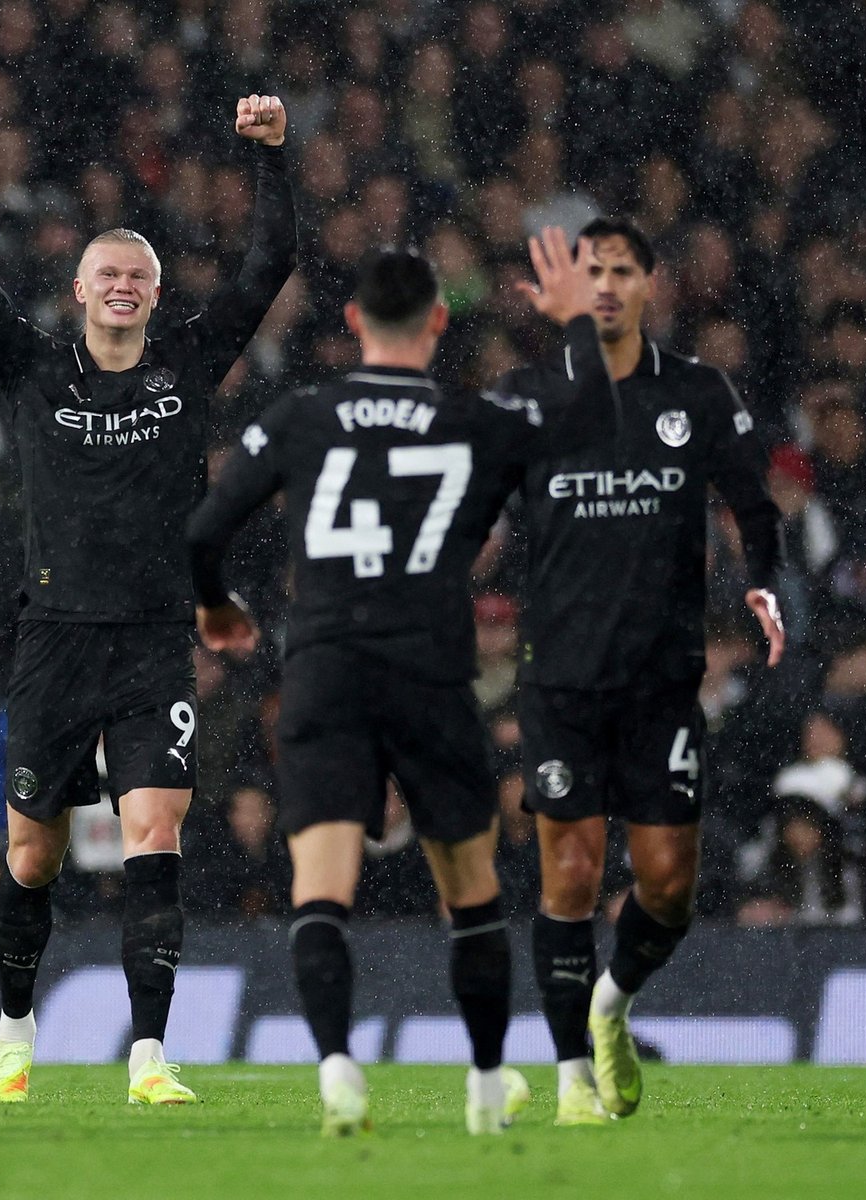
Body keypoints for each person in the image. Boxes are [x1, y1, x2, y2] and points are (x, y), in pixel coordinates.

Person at [186, 231, 615, 1136]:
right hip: (429, 671)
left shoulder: (302, 413)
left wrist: (217, 607)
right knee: (470, 889)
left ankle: (337, 1067)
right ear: (439, 322)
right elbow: (587, 418)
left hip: (325, 668)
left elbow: (203, 531)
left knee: (320, 887)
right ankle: (487, 1082)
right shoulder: (475, 418)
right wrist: (576, 323)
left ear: (353, 320)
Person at [0, 93, 296, 1105]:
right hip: (53, 640)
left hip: (150, 644)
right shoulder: (33, 368)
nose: (124, 286)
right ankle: (14, 1035)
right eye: (108, 274)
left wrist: (272, 156)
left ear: (157, 292)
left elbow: (268, 267)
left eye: (138, 275)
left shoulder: (188, 363)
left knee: (154, 836)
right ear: (80, 291)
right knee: (31, 855)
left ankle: (148, 1055)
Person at [498, 217, 785, 1124]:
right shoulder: (532, 395)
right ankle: (572, 1079)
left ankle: (612, 1001)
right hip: (560, 682)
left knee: (666, 884)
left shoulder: (695, 391)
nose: (608, 285)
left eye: (623, 271)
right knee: (571, 875)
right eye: (593, 271)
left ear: (652, 285)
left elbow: (754, 503)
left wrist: (763, 582)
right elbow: (472, 508)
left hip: (661, 681)